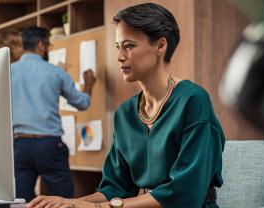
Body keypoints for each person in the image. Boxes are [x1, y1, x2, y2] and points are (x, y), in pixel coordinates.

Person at [25, 3, 225, 208]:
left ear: (160, 46)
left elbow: (184, 193)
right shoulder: (126, 114)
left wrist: (97, 207)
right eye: (117, 46)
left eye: (129, 46)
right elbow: (115, 189)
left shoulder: (193, 101)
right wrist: (72, 203)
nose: (119, 56)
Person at [11, 26, 96, 202]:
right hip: (48, 145)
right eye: (49, 45)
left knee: (20, 202)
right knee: (63, 201)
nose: (49, 49)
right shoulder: (56, 72)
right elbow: (82, 103)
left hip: (19, 145)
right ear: (41, 45)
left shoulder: (8, 71)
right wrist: (89, 85)